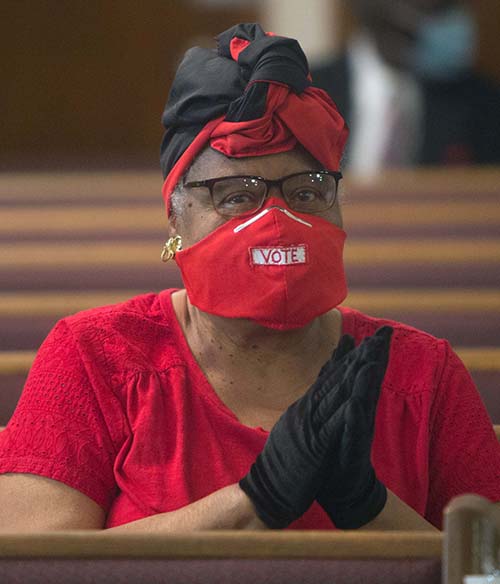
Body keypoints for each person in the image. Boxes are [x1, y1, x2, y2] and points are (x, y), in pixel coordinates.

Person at [0, 23, 499, 532]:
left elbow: (488, 566)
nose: (277, 221)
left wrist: (370, 507)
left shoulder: (422, 376)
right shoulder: (95, 358)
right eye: (237, 195)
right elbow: (38, 560)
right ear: (176, 218)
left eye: (306, 191)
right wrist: (253, 501)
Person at [311, 0, 500, 175]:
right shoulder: (304, 91)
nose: (449, 22)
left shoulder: (483, 103)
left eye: (447, 7)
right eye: (429, 9)